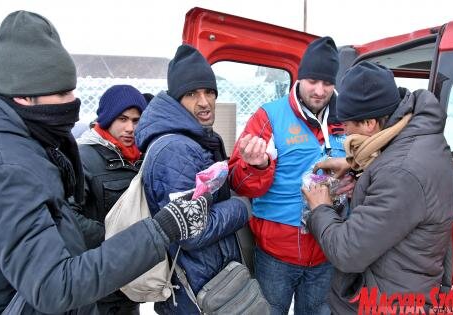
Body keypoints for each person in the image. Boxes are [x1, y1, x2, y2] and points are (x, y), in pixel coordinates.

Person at [0, 10, 212, 314]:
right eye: (63, 92)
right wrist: (160, 229)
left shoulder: (30, 141)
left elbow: (59, 224)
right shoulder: (6, 169)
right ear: (24, 97)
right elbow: (54, 285)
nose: (73, 101)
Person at [303, 61, 453, 314]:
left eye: (347, 127)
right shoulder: (420, 137)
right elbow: (391, 162)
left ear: (370, 124)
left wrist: (321, 208)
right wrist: (354, 166)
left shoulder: (400, 173)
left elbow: (347, 251)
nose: (344, 134)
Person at [228, 36, 349, 314]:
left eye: (327, 83)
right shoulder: (269, 117)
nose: (319, 91)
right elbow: (238, 181)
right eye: (312, 81)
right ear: (299, 78)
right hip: (276, 255)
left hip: (327, 251)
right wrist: (256, 166)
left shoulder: (347, 119)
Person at [135, 44, 250, 315]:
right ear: (177, 99)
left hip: (208, 279)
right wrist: (241, 208)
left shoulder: (198, 138)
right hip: (194, 289)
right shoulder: (175, 149)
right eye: (192, 93)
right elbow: (192, 231)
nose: (204, 101)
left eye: (209, 91)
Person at [74, 84, 147, 314]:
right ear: (106, 119)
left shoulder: (143, 157)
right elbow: (67, 217)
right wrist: (113, 241)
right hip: (98, 281)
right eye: (122, 119)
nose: (129, 128)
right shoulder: (83, 158)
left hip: (131, 278)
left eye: (136, 121)